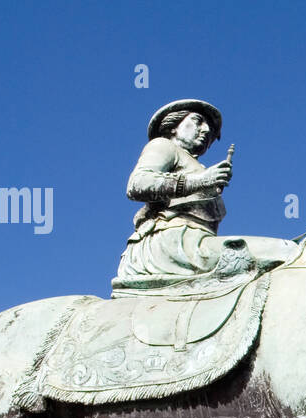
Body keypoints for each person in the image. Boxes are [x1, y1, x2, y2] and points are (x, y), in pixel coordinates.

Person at [113, 99, 296, 296]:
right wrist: (201, 181)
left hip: (197, 241)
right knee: (284, 251)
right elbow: (137, 184)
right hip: (172, 243)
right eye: (198, 121)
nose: (206, 130)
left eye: (210, 128)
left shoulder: (196, 165)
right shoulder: (164, 145)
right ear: (173, 126)